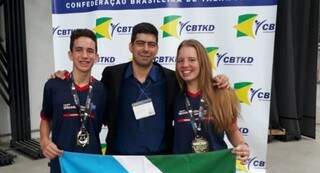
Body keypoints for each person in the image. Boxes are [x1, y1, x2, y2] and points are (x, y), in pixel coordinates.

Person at [54, 22, 228, 155]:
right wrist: (63, 76)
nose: (146, 49)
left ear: (157, 49)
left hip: (160, 162)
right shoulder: (112, 75)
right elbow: (88, 90)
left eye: (151, 44)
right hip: (121, 161)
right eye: (140, 43)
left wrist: (217, 81)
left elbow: (195, 83)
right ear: (131, 46)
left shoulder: (171, 79)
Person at [40, 29, 107, 173]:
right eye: (79, 50)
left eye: (90, 51)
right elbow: (46, 118)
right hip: (62, 166)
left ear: (97, 56)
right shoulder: (53, 85)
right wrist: (44, 141)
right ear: (70, 54)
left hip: (91, 168)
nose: (84, 56)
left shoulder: (102, 90)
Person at [173, 39, 249, 161]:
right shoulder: (173, 94)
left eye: (192, 60)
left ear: (202, 62)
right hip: (182, 170)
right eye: (180, 60)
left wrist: (242, 146)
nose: (185, 65)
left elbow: (232, 130)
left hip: (215, 169)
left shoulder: (222, 93)